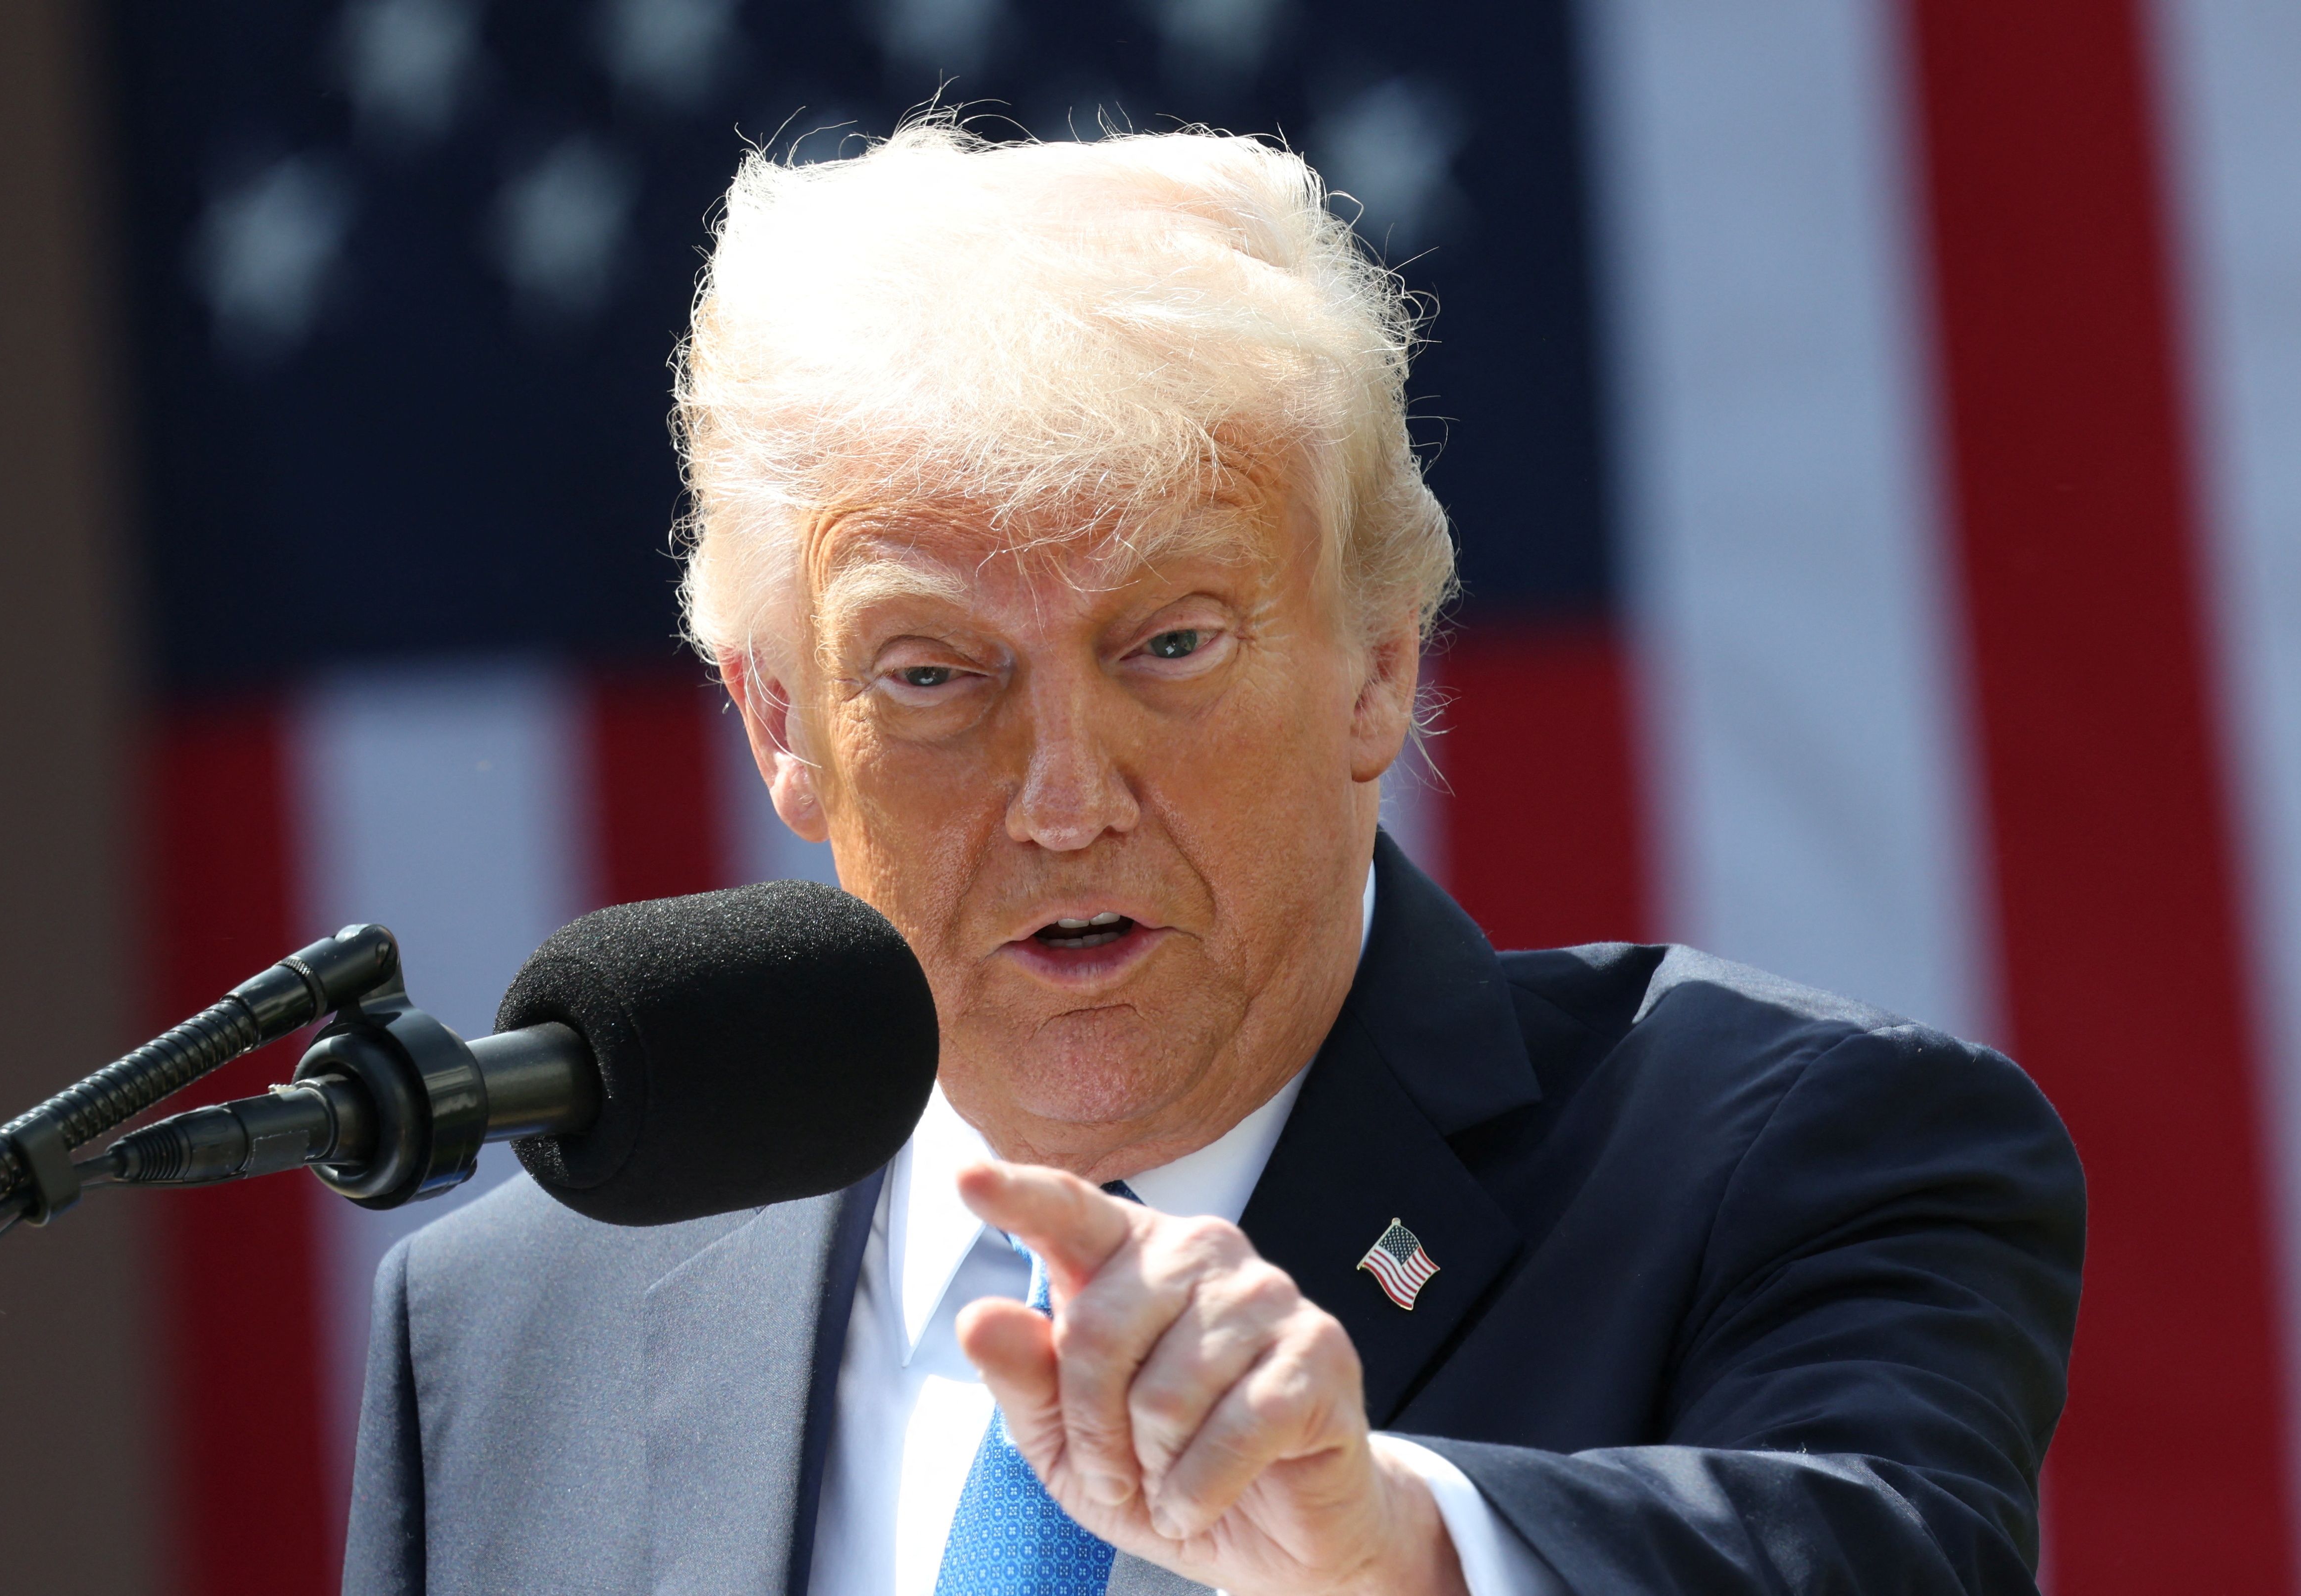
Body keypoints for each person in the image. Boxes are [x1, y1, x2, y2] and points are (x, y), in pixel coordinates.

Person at [345, 123, 2083, 1596]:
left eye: (1168, 644)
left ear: (1378, 664)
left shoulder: (1792, 1156)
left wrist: (1397, 1545)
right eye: (936, 675)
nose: (1062, 797)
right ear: (782, 724)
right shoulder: (507, 1334)